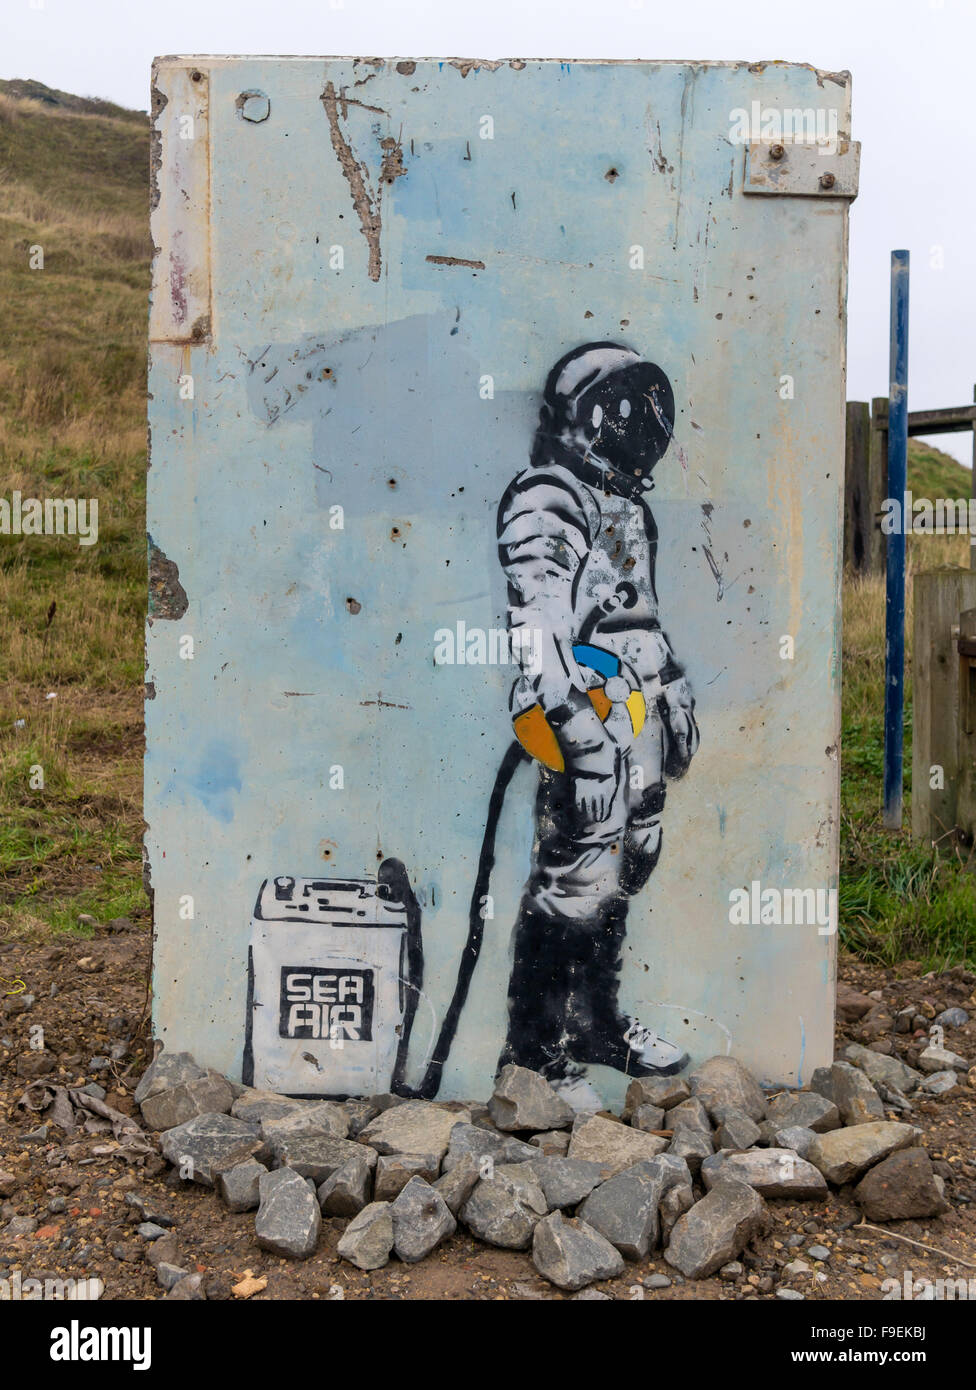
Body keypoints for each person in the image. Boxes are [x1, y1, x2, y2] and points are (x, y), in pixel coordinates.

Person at [496, 342, 699, 1099]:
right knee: (578, 875)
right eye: (626, 412)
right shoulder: (547, 498)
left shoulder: (623, 506)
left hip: (633, 715)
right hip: (583, 718)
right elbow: (541, 637)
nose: (642, 427)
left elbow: (635, 616)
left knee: (630, 860)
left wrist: (671, 688)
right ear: (588, 419)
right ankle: (534, 1053)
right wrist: (581, 746)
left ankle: (597, 1024)